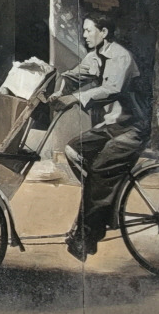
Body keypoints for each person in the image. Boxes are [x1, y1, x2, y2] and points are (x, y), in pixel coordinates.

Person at [49, 13, 147, 262]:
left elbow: (112, 89)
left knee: (99, 170)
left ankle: (89, 235)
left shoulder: (120, 56)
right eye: (83, 31)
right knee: (73, 150)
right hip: (112, 126)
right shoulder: (94, 57)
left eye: (88, 30)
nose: (84, 35)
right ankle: (99, 203)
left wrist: (73, 98)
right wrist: (60, 90)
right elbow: (74, 76)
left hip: (133, 127)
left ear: (103, 32)